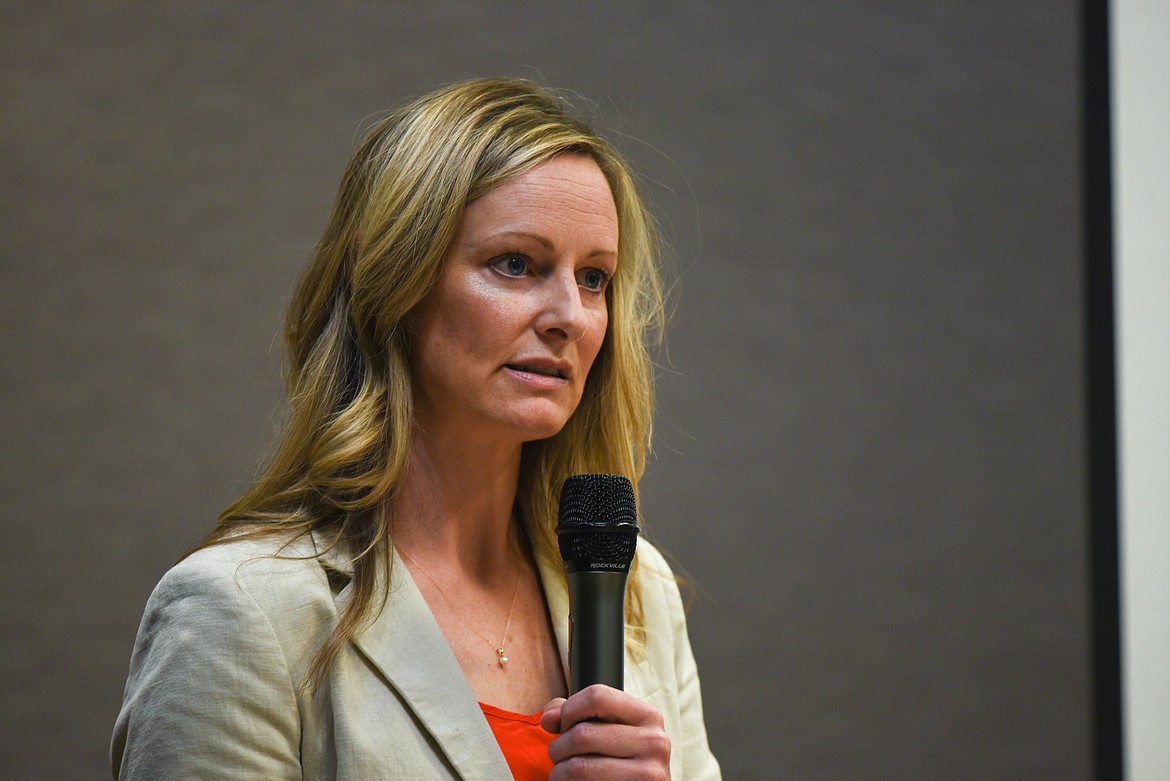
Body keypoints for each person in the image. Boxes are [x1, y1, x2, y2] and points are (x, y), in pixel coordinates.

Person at [111, 77, 721, 780]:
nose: (570, 316)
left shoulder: (635, 586)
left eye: (593, 278)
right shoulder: (240, 612)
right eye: (517, 264)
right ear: (395, 281)